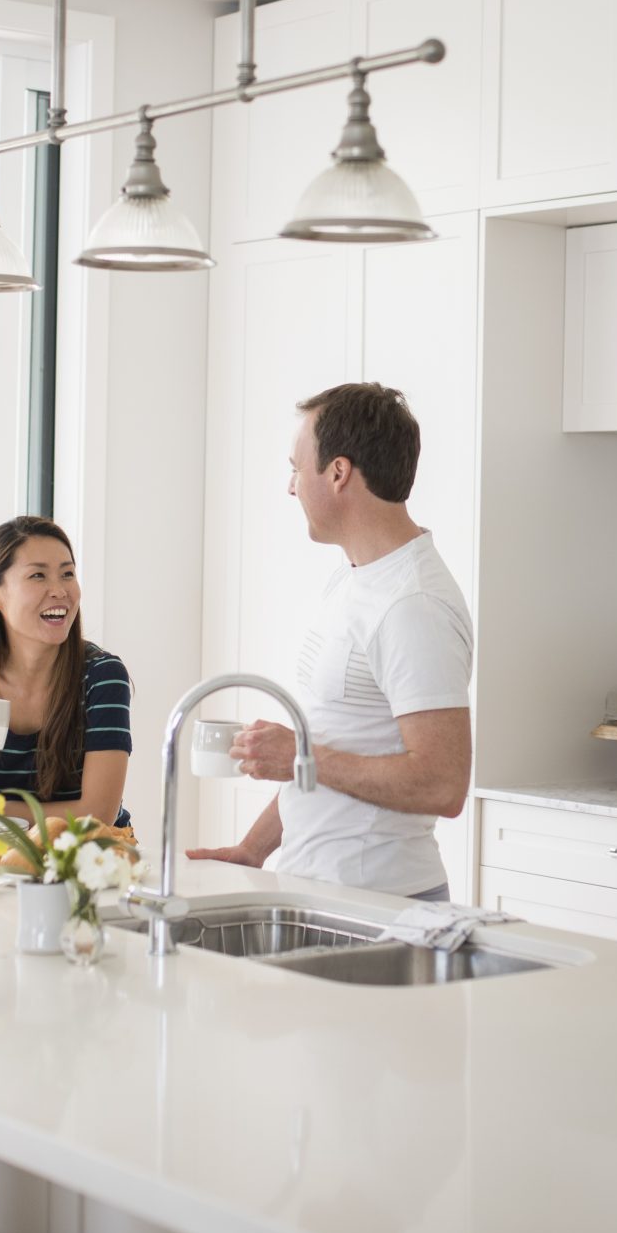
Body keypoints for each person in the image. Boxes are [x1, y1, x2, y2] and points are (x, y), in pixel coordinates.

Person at [190, 383, 473, 899]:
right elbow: (337, 739)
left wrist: (300, 755)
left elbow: (442, 784)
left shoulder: (413, 605)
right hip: (321, 890)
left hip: (381, 904)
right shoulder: (356, 578)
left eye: (297, 467)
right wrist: (253, 849)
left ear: (338, 473)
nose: (291, 487)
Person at [0, 516, 134, 830]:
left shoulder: (102, 676)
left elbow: (99, 814)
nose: (60, 590)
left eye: (67, 574)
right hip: (2, 851)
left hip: (94, 856)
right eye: (38, 575)